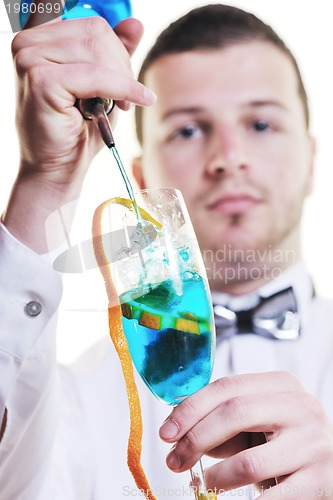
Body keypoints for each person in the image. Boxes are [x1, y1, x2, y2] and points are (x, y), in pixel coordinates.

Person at [0, 3, 332, 499]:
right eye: (188, 130)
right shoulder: (73, 398)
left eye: (260, 124)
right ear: (140, 176)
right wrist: (45, 182)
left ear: (311, 158)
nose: (228, 158)